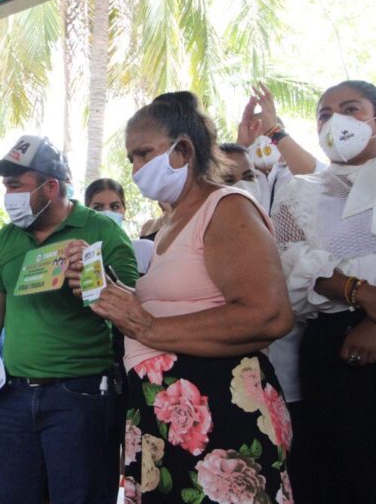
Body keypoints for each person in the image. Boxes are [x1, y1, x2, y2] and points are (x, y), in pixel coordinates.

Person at [85, 92, 295, 503]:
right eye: (131, 158)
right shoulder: (167, 225)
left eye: (144, 153)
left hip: (219, 411)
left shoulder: (227, 207)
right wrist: (112, 294)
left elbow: (269, 316)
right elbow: (182, 300)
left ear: (183, 149)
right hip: (163, 413)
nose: (136, 168)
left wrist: (148, 326)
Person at [0, 136, 138, 504]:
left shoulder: (103, 231)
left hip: (79, 396)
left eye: (15, 185)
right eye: (5, 186)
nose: (7, 195)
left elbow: (135, 310)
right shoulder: (7, 239)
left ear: (51, 186)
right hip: (12, 397)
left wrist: (94, 279)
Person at [273, 80, 376, 503]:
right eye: (324, 114)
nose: (335, 120)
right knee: (351, 474)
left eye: (351, 109)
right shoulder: (300, 191)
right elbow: (290, 263)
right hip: (334, 348)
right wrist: (363, 295)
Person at [237, 83, 327, 214]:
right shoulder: (241, 177)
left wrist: (274, 131)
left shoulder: (295, 172)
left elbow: (321, 178)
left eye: (267, 132)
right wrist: (240, 147)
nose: (262, 140)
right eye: (255, 133)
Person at [85, 178, 154, 274]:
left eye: (114, 206)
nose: (107, 212)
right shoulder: (80, 257)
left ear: (124, 211)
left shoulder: (145, 250)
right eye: (98, 207)